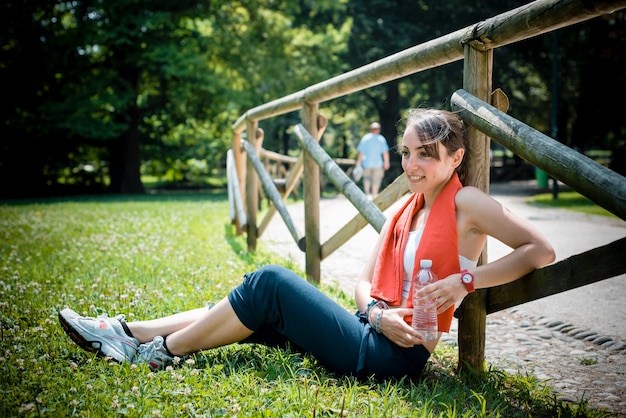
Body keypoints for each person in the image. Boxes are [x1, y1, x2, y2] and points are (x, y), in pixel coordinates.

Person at [58, 108, 555, 380]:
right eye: (406, 154)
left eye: (426, 155)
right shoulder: (409, 207)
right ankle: (127, 330)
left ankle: (158, 352)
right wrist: (379, 315)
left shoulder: (468, 203)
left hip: (393, 359)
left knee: (268, 283)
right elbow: (363, 283)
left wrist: (463, 280)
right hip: (374, 329)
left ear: (456, 156)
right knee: (245, 306)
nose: (411, 165)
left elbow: (540, 250)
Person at [355, 122, 390, 198]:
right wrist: (386, 162)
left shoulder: (365, 138)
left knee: (366, 178)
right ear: (379, 130)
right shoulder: (381, 139)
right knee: (376, 180)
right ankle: (374, 195)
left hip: (367, 163)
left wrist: (358, 163)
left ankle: (367, 194)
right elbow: (385, 152)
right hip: (378, 164)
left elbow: (361, 152)